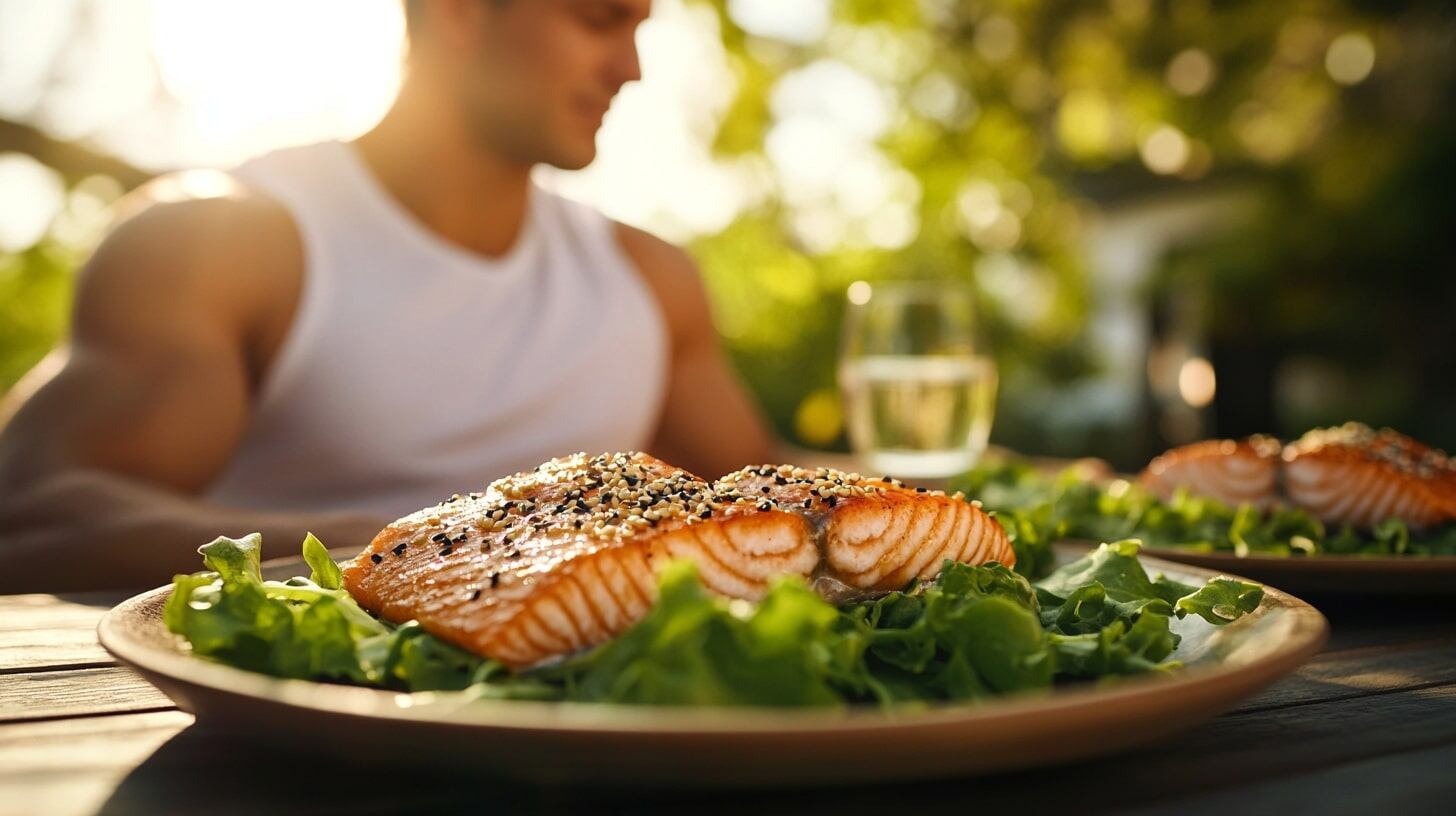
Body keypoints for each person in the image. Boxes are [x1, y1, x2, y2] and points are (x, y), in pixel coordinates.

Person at [0, 0, 778, 592]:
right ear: (457, 11)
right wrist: (420, 547)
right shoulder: (227, 242)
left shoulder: (650, 281)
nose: (630, 68)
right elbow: (32, 508)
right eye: (601, 19)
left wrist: (897, 495)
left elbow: (774, 497)